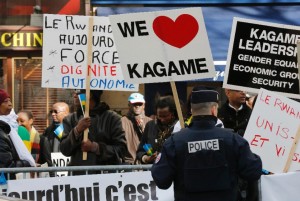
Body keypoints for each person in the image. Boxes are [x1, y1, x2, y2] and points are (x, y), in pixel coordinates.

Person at [151, 86, 262, 201]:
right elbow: (253, 171)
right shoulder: (233, 139)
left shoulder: (175, 142)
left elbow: (161, 179)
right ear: (214, 110)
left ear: (192, 111)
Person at [60, 89, 127, 175]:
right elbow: (64, 150)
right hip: (79, 179)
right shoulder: (70, 119)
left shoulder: (112, 118)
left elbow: (121, 150)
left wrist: (95, 147)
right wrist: (77, 130)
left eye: (78, 92)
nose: (74, 95)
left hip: (106, 178)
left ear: (90, 94)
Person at [136, 96, 178, 164]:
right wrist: (146, 158)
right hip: (151, 170)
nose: (162, 120)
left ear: (172, 114)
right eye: (159, 116)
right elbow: (140, 151)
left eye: (165, 116)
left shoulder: (179, 127)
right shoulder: (150, 126)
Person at [0, 89, 32, 179]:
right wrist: (26, 163)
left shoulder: (10, 129)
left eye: (10, 100)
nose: (10, 104)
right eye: (5, 101)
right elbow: (7, 166)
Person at [121, 93, 152, 164]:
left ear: (144, 105)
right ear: (129, 105)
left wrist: (145, 131)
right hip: (127, 164)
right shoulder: (122, 121)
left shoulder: (150, 122)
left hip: (145, 163)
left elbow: (151, 147)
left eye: (140, 104)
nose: (137, 106)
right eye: (134, 104)